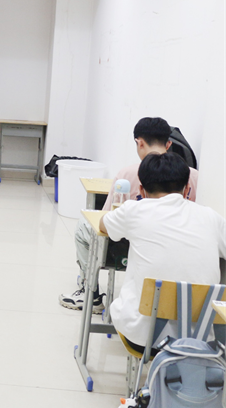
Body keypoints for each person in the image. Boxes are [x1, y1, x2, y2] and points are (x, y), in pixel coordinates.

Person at [59, 117, 200, 313]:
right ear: (169, 144)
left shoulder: (128, 175)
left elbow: (104, 221)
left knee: (84, 224)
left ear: (139, 142)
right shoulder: (194, 176)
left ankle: (89, 291)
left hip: (125, 249)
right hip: (183, 254)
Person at [101, 152, 226, 351]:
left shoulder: (134, 210)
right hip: (199, 339)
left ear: (141, 190)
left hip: (144, 339)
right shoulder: (211, 217)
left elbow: (104, 224)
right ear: (187, 189)